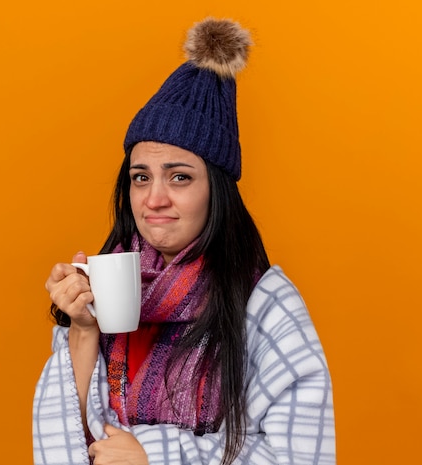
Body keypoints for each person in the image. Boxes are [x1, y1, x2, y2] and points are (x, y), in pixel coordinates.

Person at [32, 17, 335, 465]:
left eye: (179, 176)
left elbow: (302, 456)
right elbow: (65, 444)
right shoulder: (104, 284)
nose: (154, 199)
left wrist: (155, 456)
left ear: (216, 188)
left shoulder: (266, 304)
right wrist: (81, 329)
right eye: (140, 177)